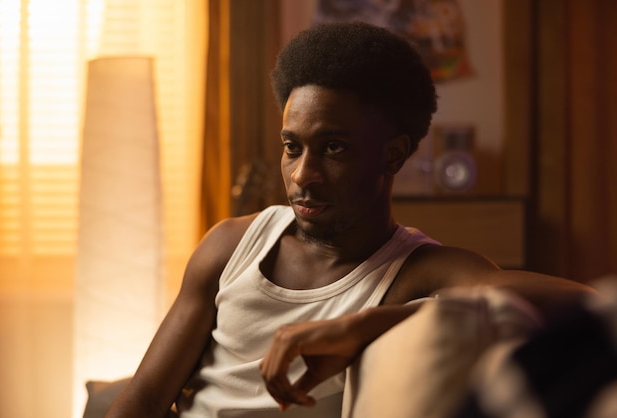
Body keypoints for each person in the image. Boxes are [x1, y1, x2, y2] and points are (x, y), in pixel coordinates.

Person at [106, 22, 594, 418]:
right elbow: (145, 399)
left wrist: (369, 324)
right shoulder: (232, 244)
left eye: (333, 149)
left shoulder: (420, 272)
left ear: (393, 156)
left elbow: (584, 301)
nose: (303, 175)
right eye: (291, 147)